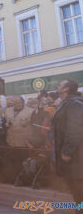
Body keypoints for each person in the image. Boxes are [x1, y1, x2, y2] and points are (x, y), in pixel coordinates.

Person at [52, 79, 83, 207]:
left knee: (79, 191)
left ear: (66, 89)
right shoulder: (67, 103)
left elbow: (75, 129)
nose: (57, 85)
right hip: (74, 156)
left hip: (77, 157)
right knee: (77, 192)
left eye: (60, 84)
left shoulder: (73, 104)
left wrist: (67, 151)